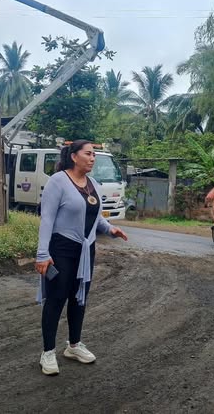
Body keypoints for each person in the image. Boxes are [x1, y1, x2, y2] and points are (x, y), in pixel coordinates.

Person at [34, 140, 128, 376]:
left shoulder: (93, 184)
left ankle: (74, 346)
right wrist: (43, 254)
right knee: (56, 299)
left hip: (86, 250)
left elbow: (95, 215)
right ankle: (48, 352)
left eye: (94, 154)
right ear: (74, 156)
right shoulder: (58, 181)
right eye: (88, 154)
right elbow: (47, 218)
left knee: (79, 298)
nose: (92, 158)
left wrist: (109, 229)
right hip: (61, 248)